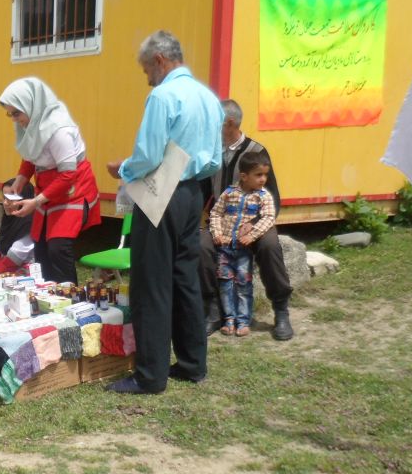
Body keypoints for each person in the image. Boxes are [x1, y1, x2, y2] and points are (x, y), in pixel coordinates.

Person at [104, 30, 224, 394]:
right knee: (184, 277)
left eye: (146, 70)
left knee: (152, 282)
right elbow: (215, 156)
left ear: (159, 60)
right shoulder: (209, 97)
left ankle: (150, 374)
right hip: (193, 191)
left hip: (163, 190)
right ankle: (192, 364)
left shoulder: (163, 96)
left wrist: (123, 169)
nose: (147, 78)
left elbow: (149, 154)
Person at [200, 99, 293, 340]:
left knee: (270, 246)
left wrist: (252, 225)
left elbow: (273, 197)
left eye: (214, 123)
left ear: (229, 123)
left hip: (255, 220)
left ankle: (280, 309)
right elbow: (203, 191)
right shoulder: (210, 151)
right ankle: (212, 308)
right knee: (200, 246)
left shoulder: (256, 151)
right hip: (222, 221)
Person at [0, 77, 101, 284]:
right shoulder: (30, 124)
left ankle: (71, 301)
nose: (14, 119)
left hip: (73, 189)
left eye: (16, 113)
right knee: (41, 246)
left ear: (31, 105)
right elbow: (30, 154)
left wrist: (36, 202)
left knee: (58, 246)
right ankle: (49, 298)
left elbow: (67, 175)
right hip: (49, 189)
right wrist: (20, 180)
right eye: (10, 114)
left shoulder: (59, 130)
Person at [208, 152, 277, 336]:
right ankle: (228, 319)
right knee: (225, 283)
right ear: (244, 176)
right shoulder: (229, 193)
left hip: (243, 250)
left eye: (265, 175)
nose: (263, 179)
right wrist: (217, 233)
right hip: (225, 249)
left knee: (243, 283)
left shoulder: (263, 197)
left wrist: (252, 235)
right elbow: (215, 213)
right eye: (258, 175)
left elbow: (269, 217)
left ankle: (243, 320)